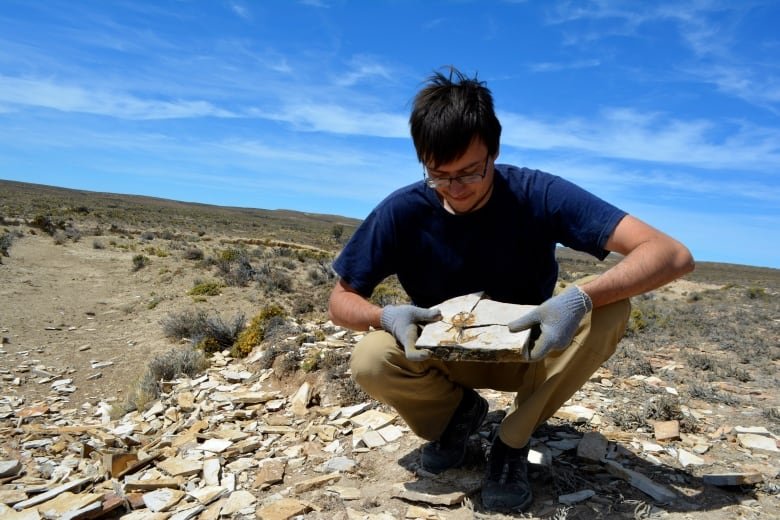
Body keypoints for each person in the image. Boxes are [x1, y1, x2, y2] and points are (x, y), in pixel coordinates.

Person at [327, 67, 694, 513]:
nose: (455, 189)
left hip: (527, 353)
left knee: (611, 309)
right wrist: (384, 317)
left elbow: (671, 254)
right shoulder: (403, 210)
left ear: (494, 152)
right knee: (370, 357)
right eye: (439, 175)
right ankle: (456, 414)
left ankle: (511, 441)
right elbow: (340, 300)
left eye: (470, 172)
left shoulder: (537, 192)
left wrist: (579, 298)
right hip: (445, 356)